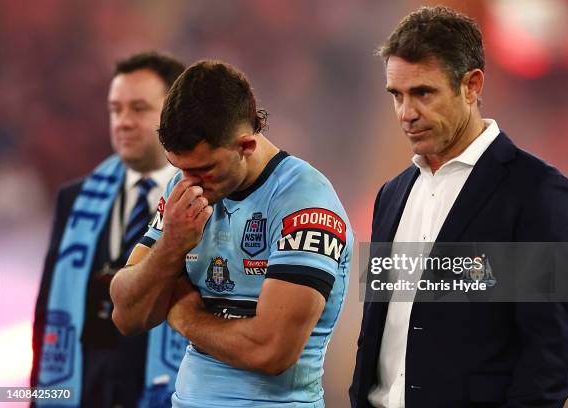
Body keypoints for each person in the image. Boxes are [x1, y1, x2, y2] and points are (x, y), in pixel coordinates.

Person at [350, 6, 568, 408]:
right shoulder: (391, 195)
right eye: (397, 95)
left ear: (472, 85)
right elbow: (380, 328)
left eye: (424, 92)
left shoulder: (540, 193)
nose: (406, 113)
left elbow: (550, 355)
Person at [110, 60, 353, 408]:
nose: (189, 183)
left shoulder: (305, 202)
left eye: (204, 169)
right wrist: (171, 246)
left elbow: (270, 350)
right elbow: (127, 313)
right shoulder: (185, 189)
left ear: (246, 146)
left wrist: (183, 314)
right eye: (180, 169)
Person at [32, 51, 188, 407]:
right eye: (115, 110)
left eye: (139, 108)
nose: (124, 122)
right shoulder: (74, 199)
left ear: (177, 114)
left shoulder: (204, 201)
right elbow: (46, 320)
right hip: (82, 392)